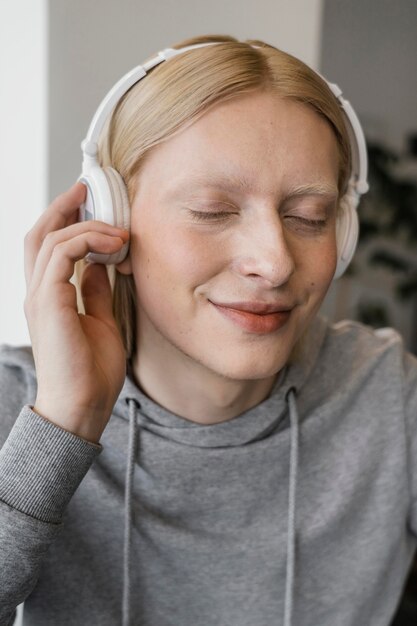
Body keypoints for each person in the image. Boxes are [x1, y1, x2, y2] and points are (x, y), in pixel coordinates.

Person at [0, 33, 416, 626]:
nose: (273, 264)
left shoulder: (389, 397)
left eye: (309, 218)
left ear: (342, 236)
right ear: (107, 221)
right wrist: (65, 423)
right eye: (213, 210)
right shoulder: (20, 410)